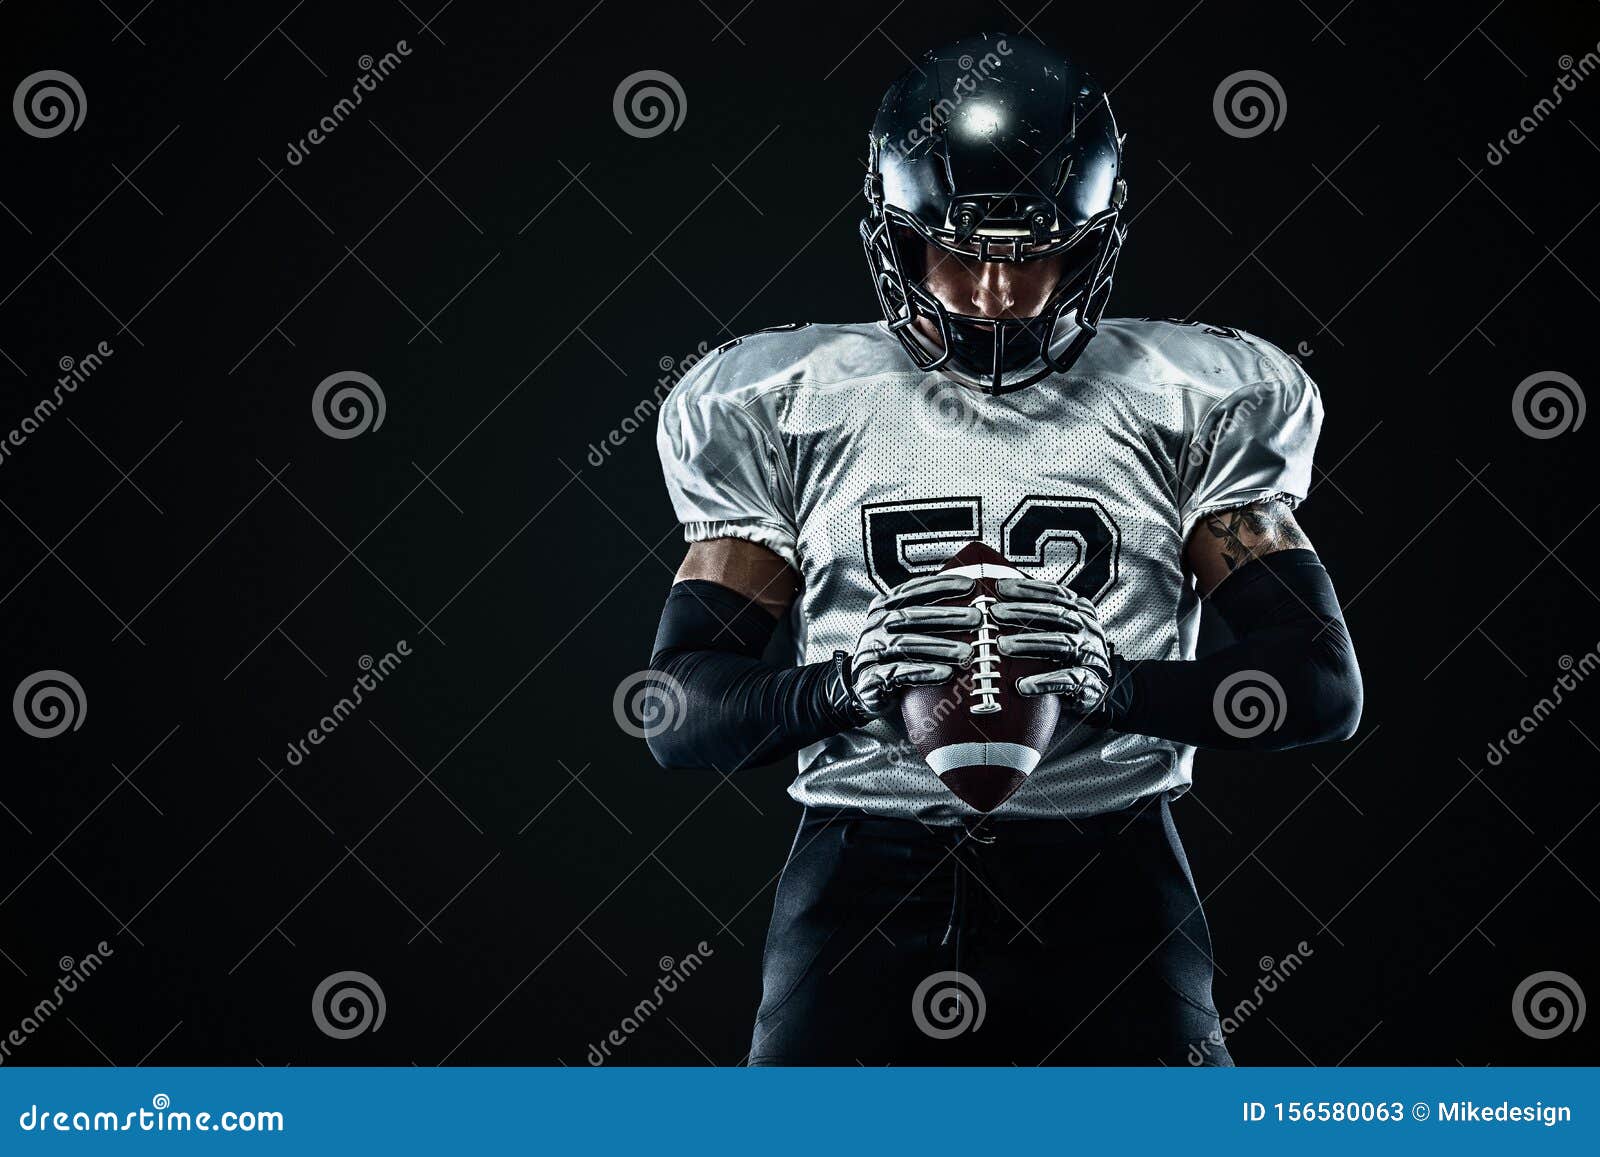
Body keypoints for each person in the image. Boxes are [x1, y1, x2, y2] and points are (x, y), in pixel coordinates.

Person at [647, 32, 1361, 1065]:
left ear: (1091, 239)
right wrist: (839, 688)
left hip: (1110, 875)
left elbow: (1319, 687)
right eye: (960, 251)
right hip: (858, 878)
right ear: (893, 238)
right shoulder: (780, 404)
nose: (993, 294)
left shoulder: (1192, 399)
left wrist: (1118, 688)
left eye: (1032, 254)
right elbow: (676, 715)